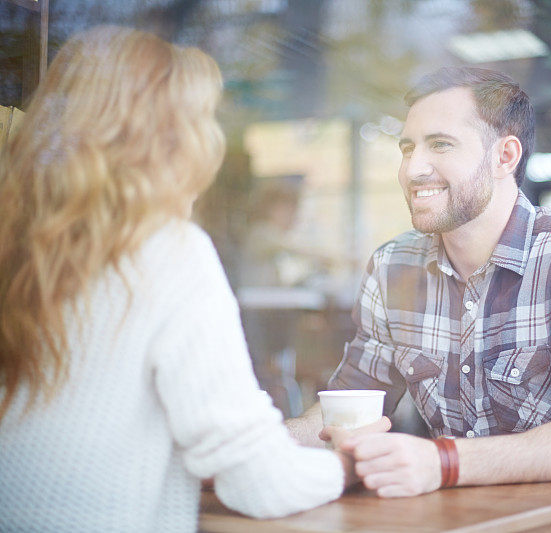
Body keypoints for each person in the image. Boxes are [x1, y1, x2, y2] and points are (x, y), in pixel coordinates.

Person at [0, 26, 359, 532]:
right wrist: (348, 466)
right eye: (201, 121)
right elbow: (259, 481)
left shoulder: (17, 246)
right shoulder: (166, 250)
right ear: (173, 140)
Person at [288, 67, 551, 498]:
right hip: (452, 519)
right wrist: (262, 446)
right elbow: (345, 409)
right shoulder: (391, 266)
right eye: (407, 148)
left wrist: (443, 462)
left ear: (505, 157)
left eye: (440, 144)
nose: (412, 168)